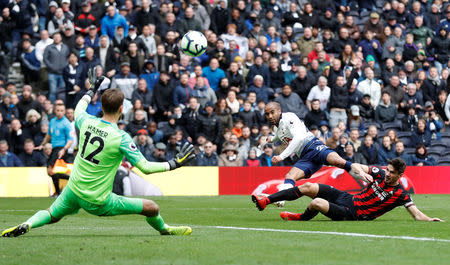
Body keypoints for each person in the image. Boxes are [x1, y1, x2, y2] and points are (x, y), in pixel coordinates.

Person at [1, 70, 195, 238]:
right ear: (121, 109)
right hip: (98, 200)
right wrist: (174, 163)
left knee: (51, 214)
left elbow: (79, 108)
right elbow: (145, 167)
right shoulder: (121, 137)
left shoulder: (85, 122)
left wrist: (91, 89)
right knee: (152, 207)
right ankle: (165, 230)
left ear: (101, 107)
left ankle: (28, 224)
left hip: (74, 189)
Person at [252, 102, 368, 208]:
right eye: (267, 114)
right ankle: (280, 199)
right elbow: (279, 135)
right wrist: (271, 139)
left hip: (313, 146)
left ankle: (370, 177)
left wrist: (281, 156)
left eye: (272, 112)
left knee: (339, 162)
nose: (270, 116)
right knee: (290, 177)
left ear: (279, 111)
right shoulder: (277, 127)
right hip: (305, 157)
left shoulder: (289, 117)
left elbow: (297, 138)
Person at [254, 158, 442, 222]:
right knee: (307, 186)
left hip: (353, 213)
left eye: (391, 173)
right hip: (348, 199)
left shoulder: (400, 194)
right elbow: (356, 165)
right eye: (387, 170)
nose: (387, 174)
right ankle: (266, 201)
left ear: (399, 175)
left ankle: (300, 217)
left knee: (316, 202)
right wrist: (361, 172)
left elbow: (417, 215)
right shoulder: (379, 172)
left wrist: (430, 219)